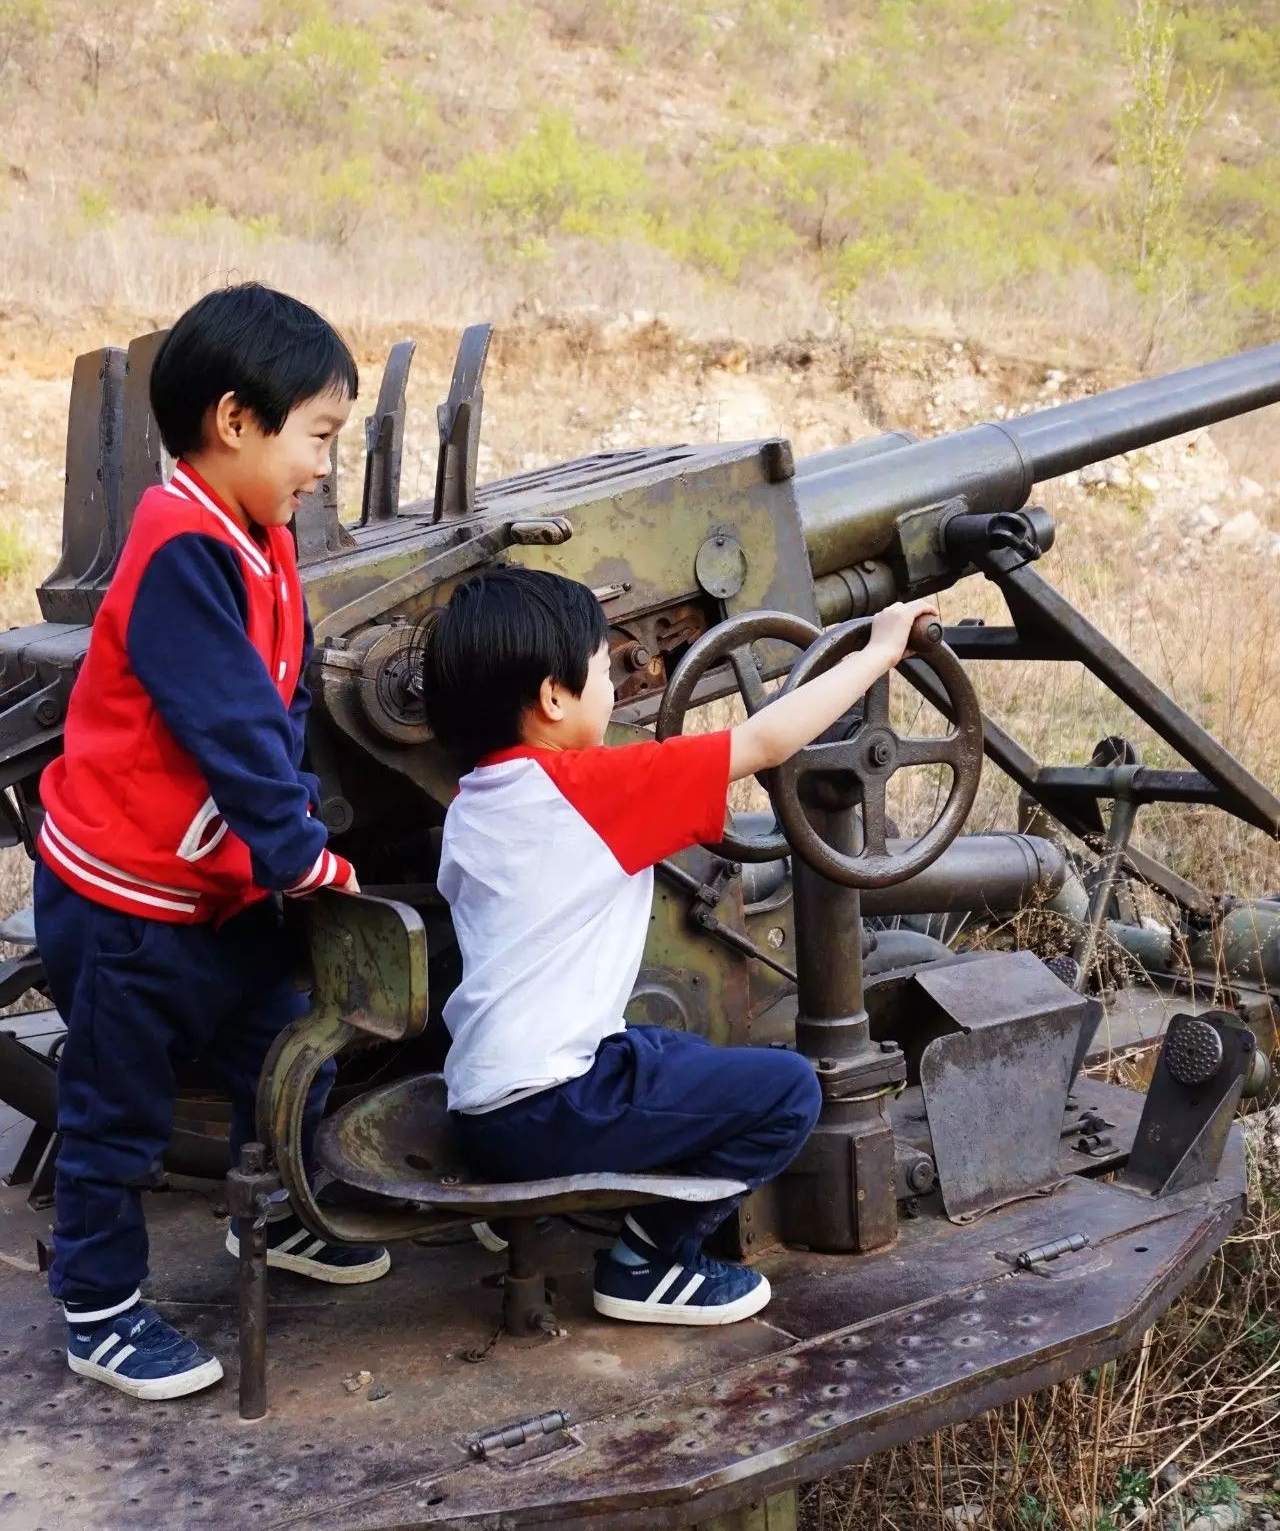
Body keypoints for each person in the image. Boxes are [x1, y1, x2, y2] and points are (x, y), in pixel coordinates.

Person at [35, 282, 390, 1403]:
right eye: (317, 437)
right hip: (128, 902)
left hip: (215, 889)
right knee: (117, 1110)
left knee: (282, 1048)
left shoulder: (260, 538)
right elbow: (228, 724)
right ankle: (98, 1309)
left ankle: (273, 1217)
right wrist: (298, 853)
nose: (325, 466)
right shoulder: (182, 546)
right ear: (235, 420)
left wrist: (291, 832)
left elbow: (282, 702)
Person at [418, 565, 939, 1326]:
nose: (615, 687)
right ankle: (646, 1262)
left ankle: (527, 1203)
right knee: (789, 1092)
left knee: (672, 1051)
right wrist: (880, 652)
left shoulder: (473, 802)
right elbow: (766, 741)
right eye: (605, 670)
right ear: (554, 698)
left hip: (488, 1105)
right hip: (550, 1110)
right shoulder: (593, 791)